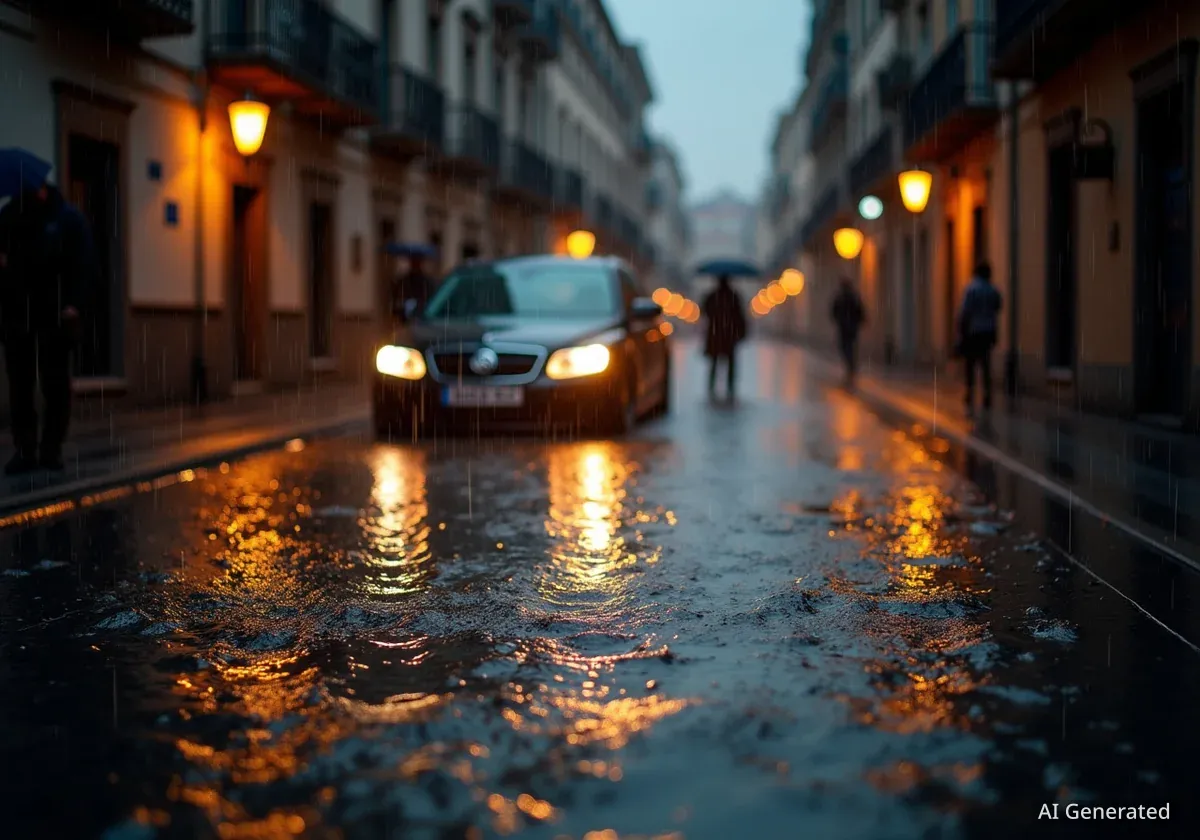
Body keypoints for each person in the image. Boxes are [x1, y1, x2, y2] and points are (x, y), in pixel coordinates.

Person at [0, 178, 95, 474]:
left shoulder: (66, 219)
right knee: (21, 384)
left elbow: (84, 264)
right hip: (18, 313)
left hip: (54, 314)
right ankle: (25, 449)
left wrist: (74, 304)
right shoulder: (10, 217)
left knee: (54, 383)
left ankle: (50, 449)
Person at [957, 261, 1003, 416]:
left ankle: (970, 392)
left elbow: (965, 311)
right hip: (988, 331)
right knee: (985, 363)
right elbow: (998, 306)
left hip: (973, 331)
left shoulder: (971, 288)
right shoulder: (992, 289)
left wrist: (961, 331)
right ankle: (987, 394)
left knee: (970, 364)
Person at [701, 274, 747, 401]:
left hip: (715, 334)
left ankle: (711, 388)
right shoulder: (733, 296)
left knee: (714, 363)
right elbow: (740, 316)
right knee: (729, 363)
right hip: (729, 335)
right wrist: (742, 332)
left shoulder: (712, 296)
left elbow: (703, 311)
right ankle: (730, 388)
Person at [830, 277, 866, 385]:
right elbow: (860, 311)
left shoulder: (841, 298)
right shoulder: (853, 298)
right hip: (851, 327)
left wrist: (838, 320)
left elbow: (834, 311)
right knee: (850, 347)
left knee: (845, 347)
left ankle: (850, 366)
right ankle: (851, 366)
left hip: (845, 327)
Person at [391, 251, 438, 323]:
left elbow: (430, 295)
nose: (414, 264)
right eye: (413, 261)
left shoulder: (427, 280)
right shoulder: (404, 280)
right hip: (406, 315)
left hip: (421, 313)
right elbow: (397, 296)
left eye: (417, 261)